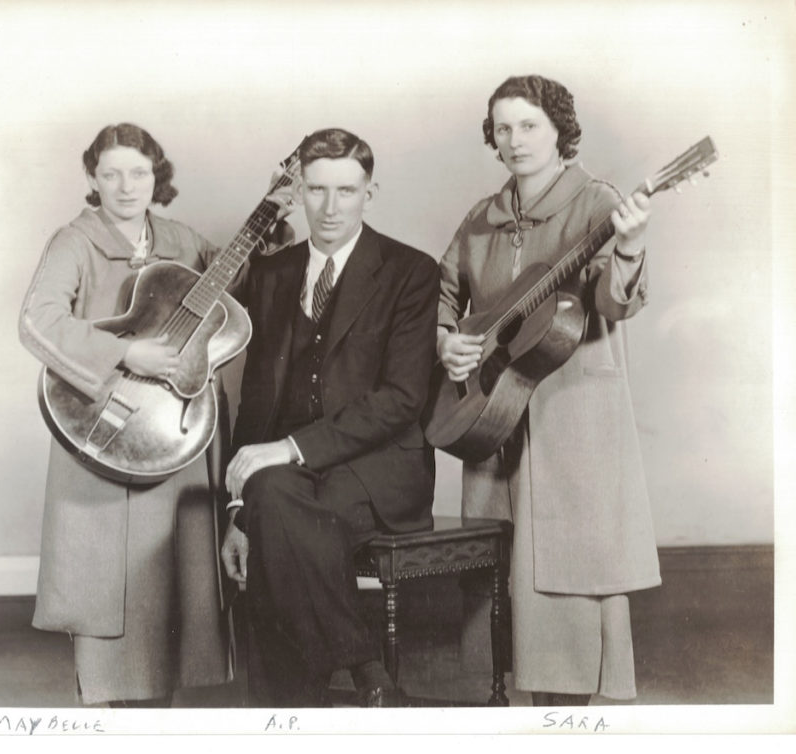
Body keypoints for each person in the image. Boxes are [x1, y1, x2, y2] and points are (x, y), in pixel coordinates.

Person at [18, 122, 291, 707]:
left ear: (156, 177)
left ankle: (158, 723)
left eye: (138, 172)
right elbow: (38, 320)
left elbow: (237, 282)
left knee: (175, 582)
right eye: (111, 173)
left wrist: (271, 215)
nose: (125, 186)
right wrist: (125, 350)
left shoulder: (178, 238)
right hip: (107, 422)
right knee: (109, 590)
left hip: (174, 431)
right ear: (92, 178)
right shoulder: (75, 241)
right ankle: (114, 720)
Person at [436, 75, 661, 706]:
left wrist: (632, 244)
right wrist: (445, 339)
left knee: (569, 567)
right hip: (492, 411)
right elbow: (445, 294)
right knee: (494, 571)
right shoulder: (482, 217)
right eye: (502, 128)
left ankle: (567, 721)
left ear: (560, 129)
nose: (515, 140)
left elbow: (616, 303)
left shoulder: (597, 202)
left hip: (571, 414)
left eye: (529, 124)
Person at [219, 128, 440, 708]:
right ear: (299, 192)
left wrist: (288, 452)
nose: (331, 206)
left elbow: (400, 400)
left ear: (371, 191)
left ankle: (288, 714)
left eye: (347, 190)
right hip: (289, 477)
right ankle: (367, 673)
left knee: (279, 523)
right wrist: (237, 509)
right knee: (268, 506)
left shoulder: (410, 271)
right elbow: (256, 402)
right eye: (316, 190)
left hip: (377, 469)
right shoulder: (272, 274)